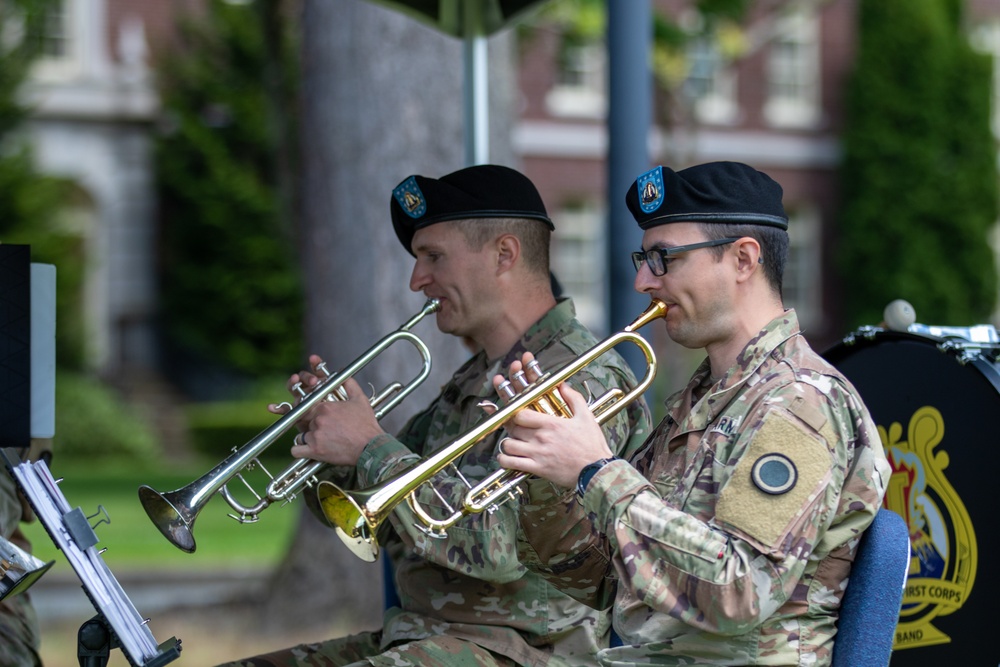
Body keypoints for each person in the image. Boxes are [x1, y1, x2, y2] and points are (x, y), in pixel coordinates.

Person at [219, 164, 652, 667]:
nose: (416, 279)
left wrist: (370, 447)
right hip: (425, 637)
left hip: (523, 652)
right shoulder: (475, 378)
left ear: (504, 255)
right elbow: (379, 518)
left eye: (433, 257)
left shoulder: (584, 377)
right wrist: (331, 444)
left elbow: (502, 550)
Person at [493, 162, 892, 666]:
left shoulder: (802, 402)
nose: (643, 280)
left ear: (743, 259)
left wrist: (596, 471)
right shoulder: (704, 399)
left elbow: (738, 588)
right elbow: (601, 580)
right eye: (643, 258)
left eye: (664, 259)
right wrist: (545, 469)